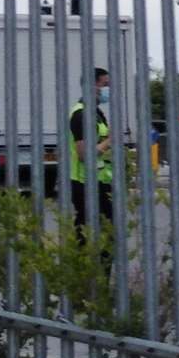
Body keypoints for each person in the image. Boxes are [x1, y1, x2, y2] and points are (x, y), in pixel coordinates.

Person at [68, 67, 113, 246]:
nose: (108, 89)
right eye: (105, 84)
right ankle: (89, 273)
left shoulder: (96, 113)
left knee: (105, 235)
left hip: (100, 182)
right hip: (85, 183)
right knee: (89, 237)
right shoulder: (81, 114)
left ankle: (99, 272)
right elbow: (84, 154)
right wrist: (110, 140)